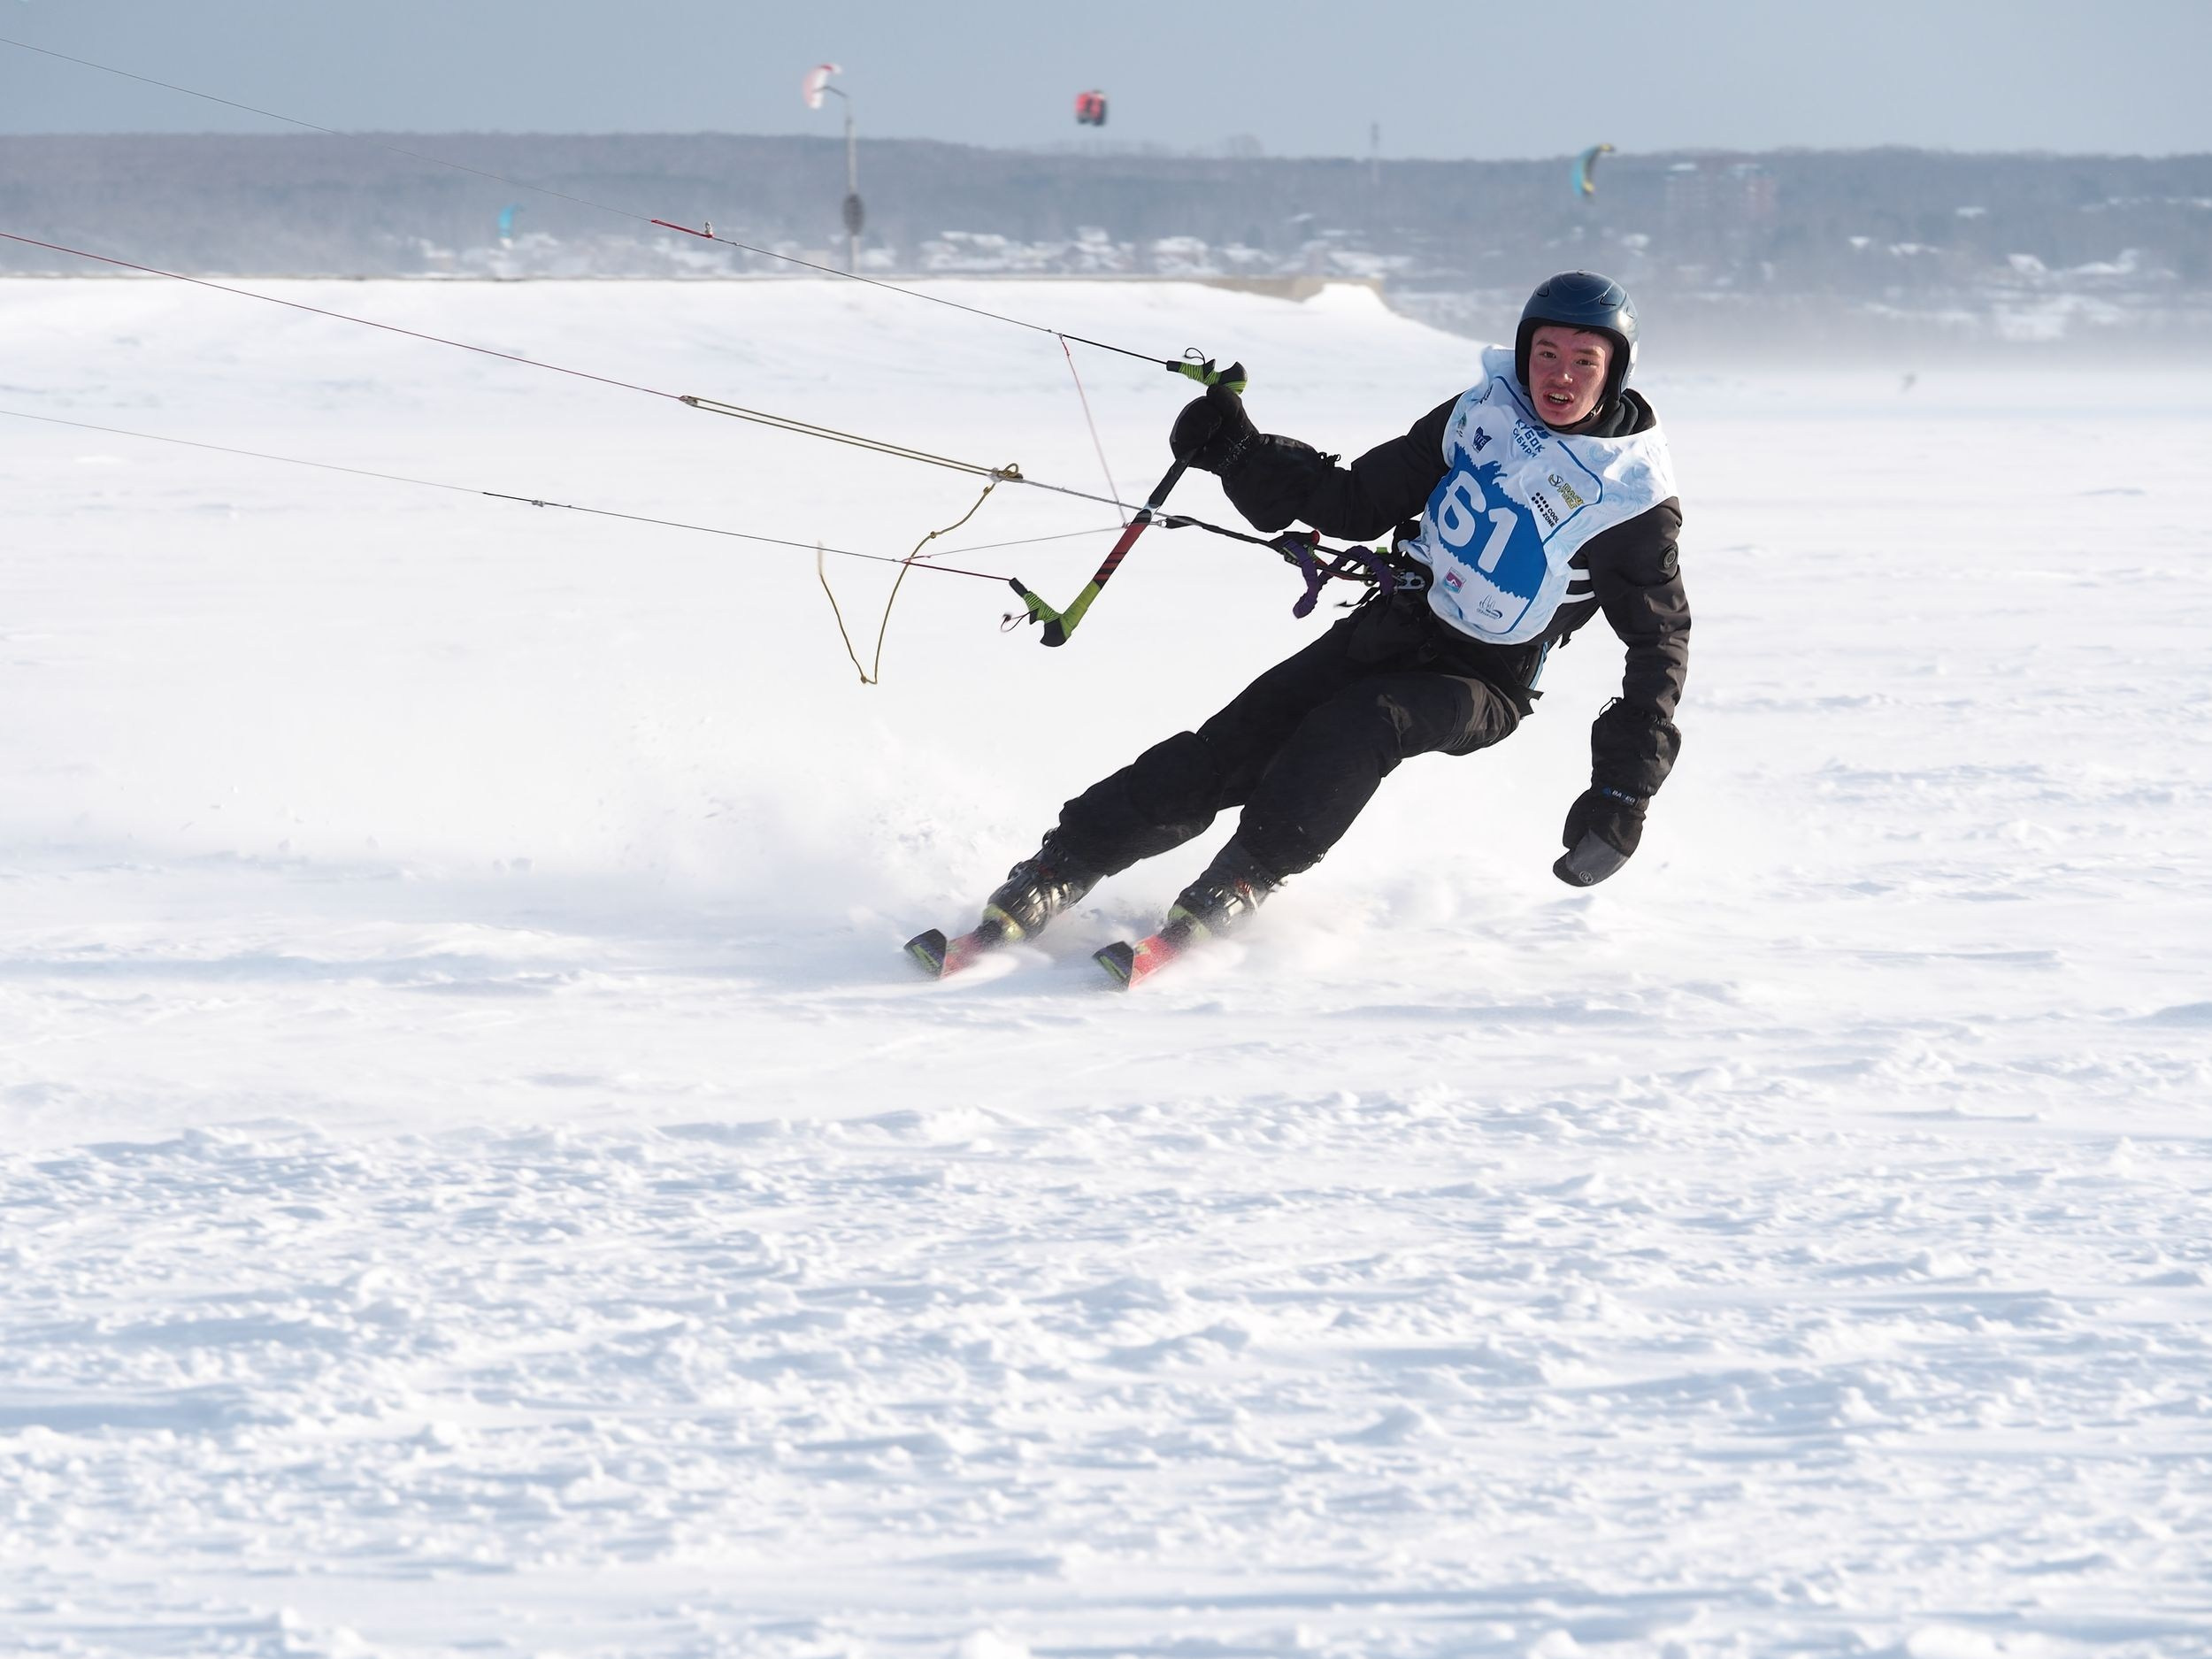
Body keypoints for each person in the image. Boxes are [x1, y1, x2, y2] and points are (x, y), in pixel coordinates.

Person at [972, 271, 1689, 957]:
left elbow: (1658, 643)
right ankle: (1061, 865)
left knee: (1361, 723)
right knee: (1230, 745)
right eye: (1546, 353)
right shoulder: (1485, 412)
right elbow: (1358, 502)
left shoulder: (1630, 497)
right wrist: (1241, 455)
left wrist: (1622, 793)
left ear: (1614, 370)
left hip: (1483, 683)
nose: (1558, 375)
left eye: (1583, 361)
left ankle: (1241, 878)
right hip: (1395, 625)